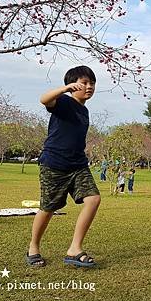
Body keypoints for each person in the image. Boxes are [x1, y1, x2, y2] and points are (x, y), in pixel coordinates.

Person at [26, 66, 101, 269]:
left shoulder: (84, 110)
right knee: (48, 208)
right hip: (54, 164)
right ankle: (33, 247)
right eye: (84, 83)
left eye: (92, 83)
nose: (89, 87)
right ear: (73, 84)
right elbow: (44, 100)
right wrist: (65, 88)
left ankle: (74, 249)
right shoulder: (64, 102)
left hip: (78, 164)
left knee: (93, 199)